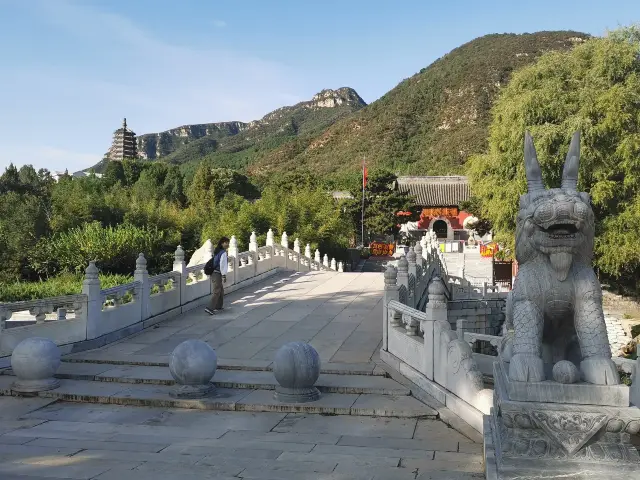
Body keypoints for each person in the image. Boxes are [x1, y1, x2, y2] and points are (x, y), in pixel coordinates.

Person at [205, 237, 229, 315]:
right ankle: (209, 308)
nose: (227, 244)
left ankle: (218, 306)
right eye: (226, 242)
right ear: (222, 243)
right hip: (217, 273)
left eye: (228, 242)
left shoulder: (217, 251)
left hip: (214, 273)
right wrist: (224, 275)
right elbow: (222, 265)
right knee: (217, 291)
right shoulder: (223, 253)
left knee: (221, 290)